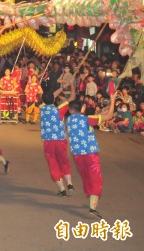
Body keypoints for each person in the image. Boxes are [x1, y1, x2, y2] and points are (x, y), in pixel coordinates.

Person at [66, 91, 118, 219]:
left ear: (71, 110)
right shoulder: (88, 119)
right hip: (90, 155)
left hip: (77, 155)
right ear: (82, 108)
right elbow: (109, 115)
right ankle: (92, 208)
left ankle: (91, 201)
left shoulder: (68, 120)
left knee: (87, 178)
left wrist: (100, 112)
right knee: (96, 180)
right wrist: (112, 100)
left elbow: (98, 115)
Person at [39, 86, 75, 197]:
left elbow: (50, 97)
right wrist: (71, 85)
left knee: (53, 164)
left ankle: (62, 189)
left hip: (49, 142)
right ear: (54, 99)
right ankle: (69, 183)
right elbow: (72, 97)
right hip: (60, 140)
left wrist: (60, 88)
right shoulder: (59, 109)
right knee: (63, 161)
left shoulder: (42, 108)